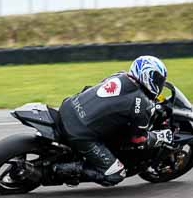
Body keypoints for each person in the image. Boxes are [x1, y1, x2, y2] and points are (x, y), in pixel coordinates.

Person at [55, 55, 173, 186]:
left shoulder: (120, 75)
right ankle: (63, 170)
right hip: (81, 132)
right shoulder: (142, 103)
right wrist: (159, 136)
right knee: (115, 174)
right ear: (147, 76)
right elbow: (138, 140)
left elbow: (89, 89)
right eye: (157, 79)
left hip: (69, 106)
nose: (159, 83)